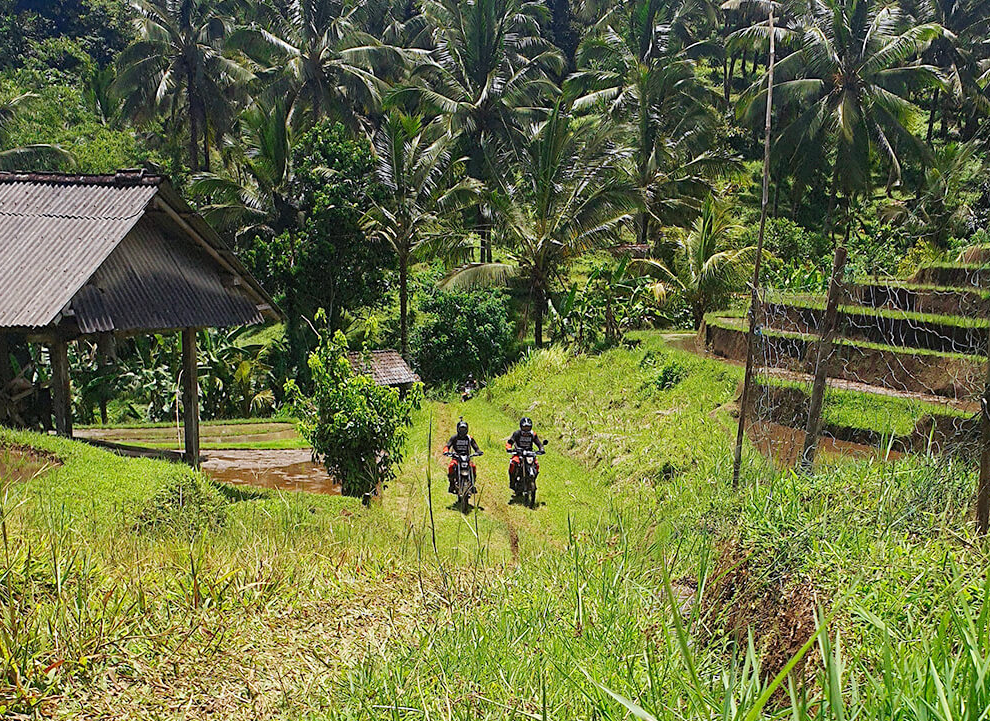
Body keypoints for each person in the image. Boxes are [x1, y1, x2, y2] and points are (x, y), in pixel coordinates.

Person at [443, 418, 482, 493]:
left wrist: (478, 451)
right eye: (461, 429)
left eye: (464, 429)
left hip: (467, 458)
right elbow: (447, 446)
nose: (463, 431)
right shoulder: (454, 438)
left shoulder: (469, 438)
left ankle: (472, 484)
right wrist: (446, 451)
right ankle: (451, 484)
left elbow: (475, 447)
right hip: (456, 458)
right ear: (458, 429)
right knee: (451, 466)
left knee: (473, 467)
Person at [506, 417, 543, 492]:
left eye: (528, 427)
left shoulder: (533, 434)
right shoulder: (517, 433)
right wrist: (509, 448)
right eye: (524, 427)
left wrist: (541, 449)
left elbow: (539, 443)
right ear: (521, 426)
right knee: (514, 463)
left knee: (536, 464)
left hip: (529, 453)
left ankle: (532, 478)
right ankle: (512, 481)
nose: (526, 429)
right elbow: (510, 442)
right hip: (518, 453)